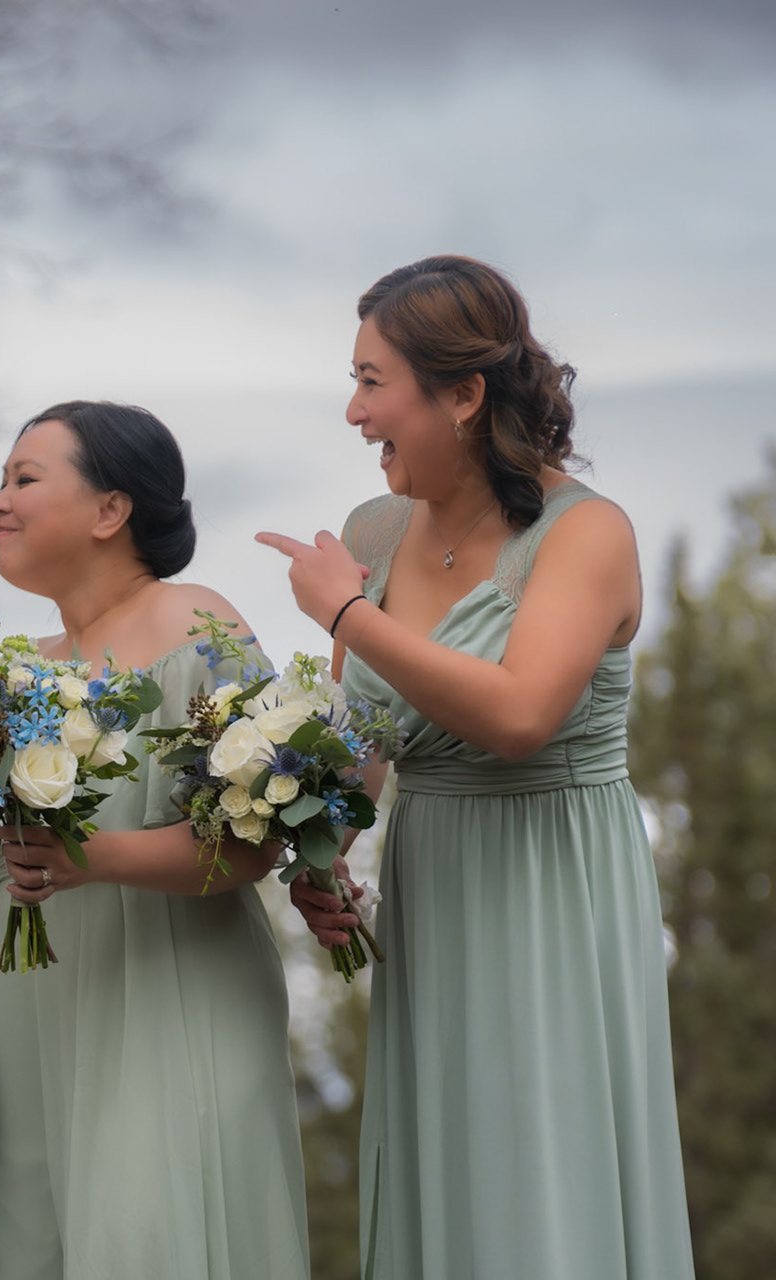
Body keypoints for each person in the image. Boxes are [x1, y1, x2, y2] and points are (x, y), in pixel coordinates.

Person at [262, 255, 696, 1280]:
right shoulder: (374, 530)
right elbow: (369, 736)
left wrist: (346, 612)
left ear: (461, 396)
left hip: (554, 884)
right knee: (452, 1167)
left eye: (373, 382)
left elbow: (520, 715)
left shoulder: (586, 533)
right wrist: (327, 852)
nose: (354, 411)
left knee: (542, 1160)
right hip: (435, 879)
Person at [0, 401, 308, 1280]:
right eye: (1, 481)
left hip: (167, 1000)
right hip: (29, 1024)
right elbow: (7, 887)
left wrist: (91, 859)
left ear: (111, 509)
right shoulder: (19, 670)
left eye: (25, 479)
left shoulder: (194, 622)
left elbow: (256, 841)